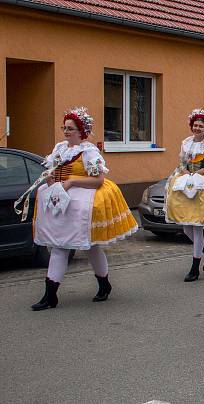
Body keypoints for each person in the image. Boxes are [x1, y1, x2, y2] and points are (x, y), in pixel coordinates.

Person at [18, 107, 138, 311]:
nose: (66, 131)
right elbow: (54, 172)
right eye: (64, 128)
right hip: (62, 203)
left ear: (81, 130)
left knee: (91, 246)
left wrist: (72, 182)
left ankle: (104, 284)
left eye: (70, 128)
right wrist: (51, 178)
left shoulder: (89, 151)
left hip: (83, 203)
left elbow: (99, 180)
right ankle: (50, 296)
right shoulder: (60, 149)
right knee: (59, 247)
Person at [165, 108, 204, 282]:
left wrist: (203, 170)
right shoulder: (186, 143)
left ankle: (194, 268)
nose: (197, 128)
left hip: (202, 187)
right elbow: (182, 163)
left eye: (201, 126)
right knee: (186, 228)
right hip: (186, 184)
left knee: (197, 227)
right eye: (195, 125)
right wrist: (184, 172)